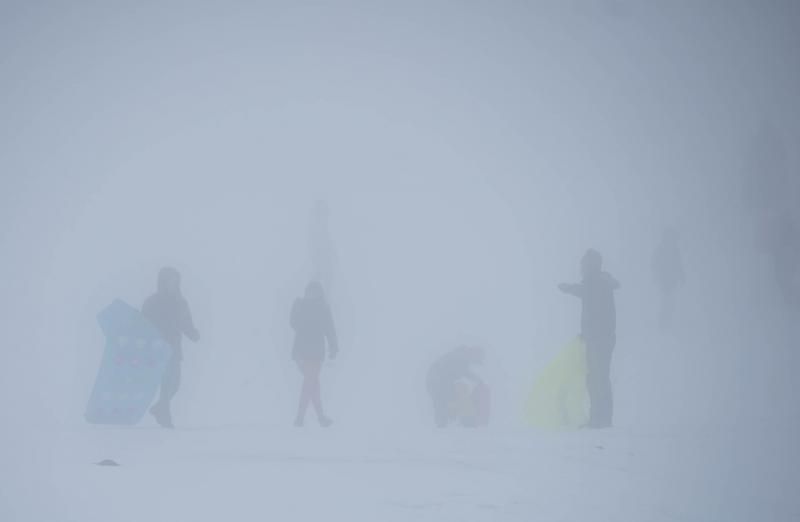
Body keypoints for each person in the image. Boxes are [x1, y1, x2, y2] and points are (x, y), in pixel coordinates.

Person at [559, 249, 619, 429]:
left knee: (596, 378)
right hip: (600, 337)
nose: (581, 268)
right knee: (598, 377)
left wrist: (568, 288)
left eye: (583, 265)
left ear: (590, 266)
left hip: (599, 339)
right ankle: (602, 418)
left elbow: (585, 293)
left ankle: (599, 419)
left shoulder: (596, 283)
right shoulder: (599, 283)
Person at [142, 267, 200, 429]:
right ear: (162, 281)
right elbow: (141, 323)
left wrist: (193, 333)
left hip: (174, 347)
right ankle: (164, 415)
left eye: (175, 280)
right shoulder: (152, 302)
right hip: (156, 348)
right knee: (167, 382)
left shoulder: (181, 302)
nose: (172, 283)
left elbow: (185, 322)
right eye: (169, 280)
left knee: (175, 383)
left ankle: (160, 408)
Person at [291, 281, 338, 427]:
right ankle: (303, 417)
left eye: (314, 291)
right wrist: (296, 307)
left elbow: (330, 328)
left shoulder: (323, 308)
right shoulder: (301, 305)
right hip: (301, 352)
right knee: (311, 382)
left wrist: (334, 346)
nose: (311, 294)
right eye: (309, 291)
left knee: (312, 382)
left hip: (316, 354)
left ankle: (317, 417)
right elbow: (293, 323)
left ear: (319, 293)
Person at [426, 346, 486, 428]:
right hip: (436, 381)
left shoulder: (462, 357)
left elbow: (464, 371)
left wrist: (477, 380)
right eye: (476, 360)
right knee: (443, 400)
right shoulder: (460, 357)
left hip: (439, 380)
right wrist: (477, 380)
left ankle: (456, 421)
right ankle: (444, 424)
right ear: (473, 355)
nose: (474, 363)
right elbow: (462, 371)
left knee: (451, 398)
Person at [651, 228, 685, 330]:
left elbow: (678, 263)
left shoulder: (673, 249)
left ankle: (665, 323)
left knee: (668, 302)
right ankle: (663, 324)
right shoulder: (662, 249)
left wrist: (681, 275)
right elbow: (654, 264)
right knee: (667, 301)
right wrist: (656, 276)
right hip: (665, 279)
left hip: (670, 279)